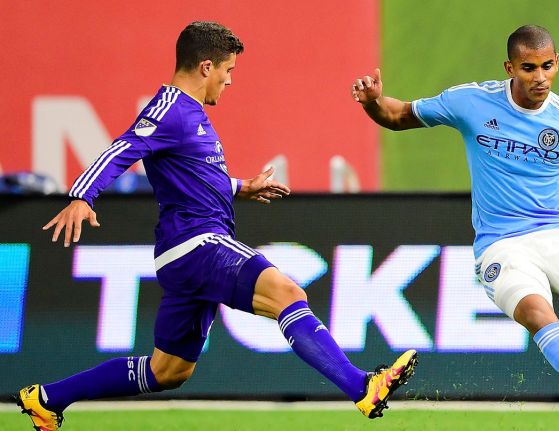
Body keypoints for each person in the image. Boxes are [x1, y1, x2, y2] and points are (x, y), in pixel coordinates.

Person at [15, 21, 417, 431]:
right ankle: (360, 386)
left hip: (183, 255)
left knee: (166, 371)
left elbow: (193, 175)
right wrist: (82, 194)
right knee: (286, 292)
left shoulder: (189, 113)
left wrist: (241, 187)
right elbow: (124, 147)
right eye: (228, 71)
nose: (229, 81)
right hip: (197, 243)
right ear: (206, 66)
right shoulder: (169, 107)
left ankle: (47, 399)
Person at [351, 25, 559, 429]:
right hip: (501, 246)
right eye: (528, 67)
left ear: (557, 64)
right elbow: (398, 115)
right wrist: (373, 103)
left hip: (556, 233)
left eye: (547, 66)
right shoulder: (471, 101)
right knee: (540, 314)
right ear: (510, 67)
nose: (540, 77)